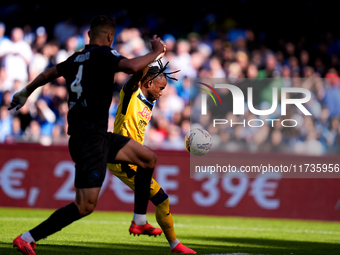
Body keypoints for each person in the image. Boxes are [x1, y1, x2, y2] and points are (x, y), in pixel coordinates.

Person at [9, 15, 165, 255]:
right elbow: (133, 67)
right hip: (89, 141)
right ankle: (27, 237)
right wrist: (155, 51)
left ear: (89, 35)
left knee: (147, 159)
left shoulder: (75, 59)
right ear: (110, 37)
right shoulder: (105, 55)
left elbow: (49, 73)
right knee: (85, 206)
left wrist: (25, 92)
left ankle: (139, 221)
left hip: (98, 137)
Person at [107, 61, 196, 254]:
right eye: (161, 87)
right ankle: (169, 241)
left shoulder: (150, 101)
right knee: (161, 198)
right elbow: (135, 79)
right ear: (148, 84)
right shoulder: (130, 95)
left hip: (134, 157)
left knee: (162, 200)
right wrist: (153, 56)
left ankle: (148, 226)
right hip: (122, 158)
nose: (162, 92)